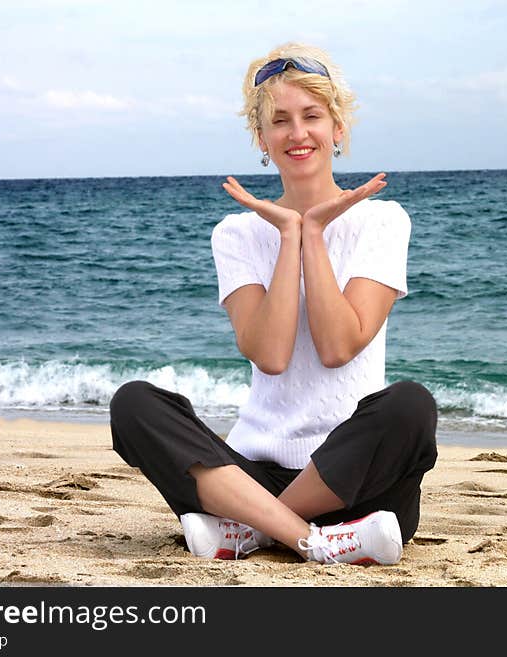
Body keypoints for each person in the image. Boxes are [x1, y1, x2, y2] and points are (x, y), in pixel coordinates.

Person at [110, 42, 437, 566]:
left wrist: (314, 234)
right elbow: (271, 354)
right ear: (262, 138)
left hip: (358, 483)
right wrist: (289, 236)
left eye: (312, 116)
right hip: (251, 472)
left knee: (410, 406)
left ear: (339, 129)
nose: (298, 133)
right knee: (134, 404)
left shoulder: (383, 221)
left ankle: (254, 531)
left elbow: (338, 346)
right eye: (279, 121)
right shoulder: (236, 233)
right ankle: (312, 540)